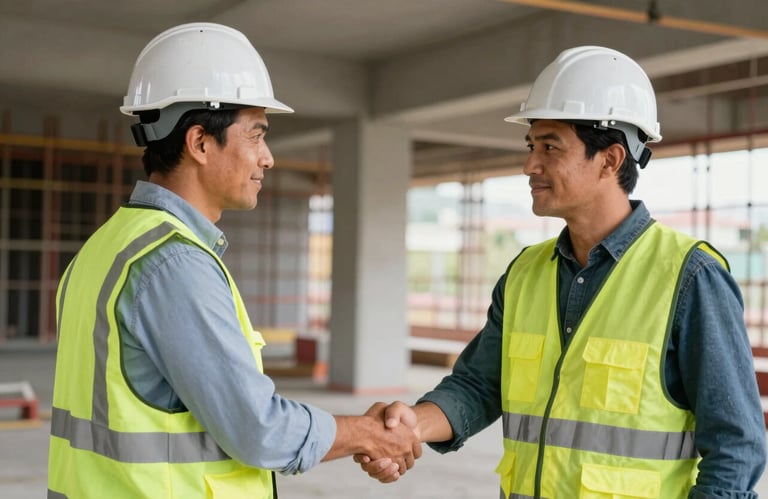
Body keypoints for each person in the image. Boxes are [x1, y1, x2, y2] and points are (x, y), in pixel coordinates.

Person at [357, 46, 767, 498]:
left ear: (610, 160)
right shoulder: (525, 272)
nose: (531, 164)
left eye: (550, 147)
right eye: (532, 146)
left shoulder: (690, 277)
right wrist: (412, 425)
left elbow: (736, 447)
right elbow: (478, 385)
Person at [47, 22, 419, 498]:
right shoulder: (172, 263)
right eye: (256, 136)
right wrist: (368, 433)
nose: (267, 158)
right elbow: (258, 430)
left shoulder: (110, 244)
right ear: (200, 142)